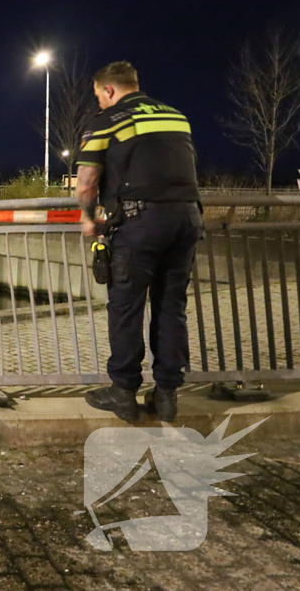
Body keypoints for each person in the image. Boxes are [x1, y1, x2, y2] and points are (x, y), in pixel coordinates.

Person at [75, 61, 203, 423]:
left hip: (139, 224)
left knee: (126, 307)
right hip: (187, 220)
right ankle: (166, 397)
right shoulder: (176, 116)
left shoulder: (108, 120)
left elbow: (86, 182)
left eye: (99, 95)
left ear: (109, 90)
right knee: (171, 307)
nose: (99, 102)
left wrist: (88, 217)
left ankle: (123, 392)